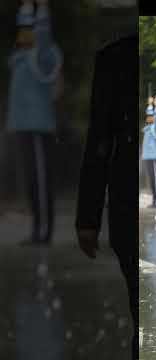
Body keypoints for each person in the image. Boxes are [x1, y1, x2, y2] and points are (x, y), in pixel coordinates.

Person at [75, 33, 139, 359]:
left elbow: (98, 140)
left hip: (129, 201)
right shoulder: (116, 58)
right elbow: (100, 140)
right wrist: (88, 215)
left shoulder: (116, 57)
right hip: (127, 200)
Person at [6, 0, 63, 246]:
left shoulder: (44, 51)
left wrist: (41, 10)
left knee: (40, 181)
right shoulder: (20, 53)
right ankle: (37, 230)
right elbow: (26, 32)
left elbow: (41, 35)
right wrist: (27, 10)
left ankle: (43, 232)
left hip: (39, 126)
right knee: (31, 180)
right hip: (22, 125)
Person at [141, 95, 156, 208]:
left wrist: (155, 106)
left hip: (155, 157)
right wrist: (150, 105)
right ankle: (154, 200)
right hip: (147, 157)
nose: (149, 117)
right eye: (148, 116)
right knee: (152, 180)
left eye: (151, 115)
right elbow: (150, 115)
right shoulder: (147, 128)